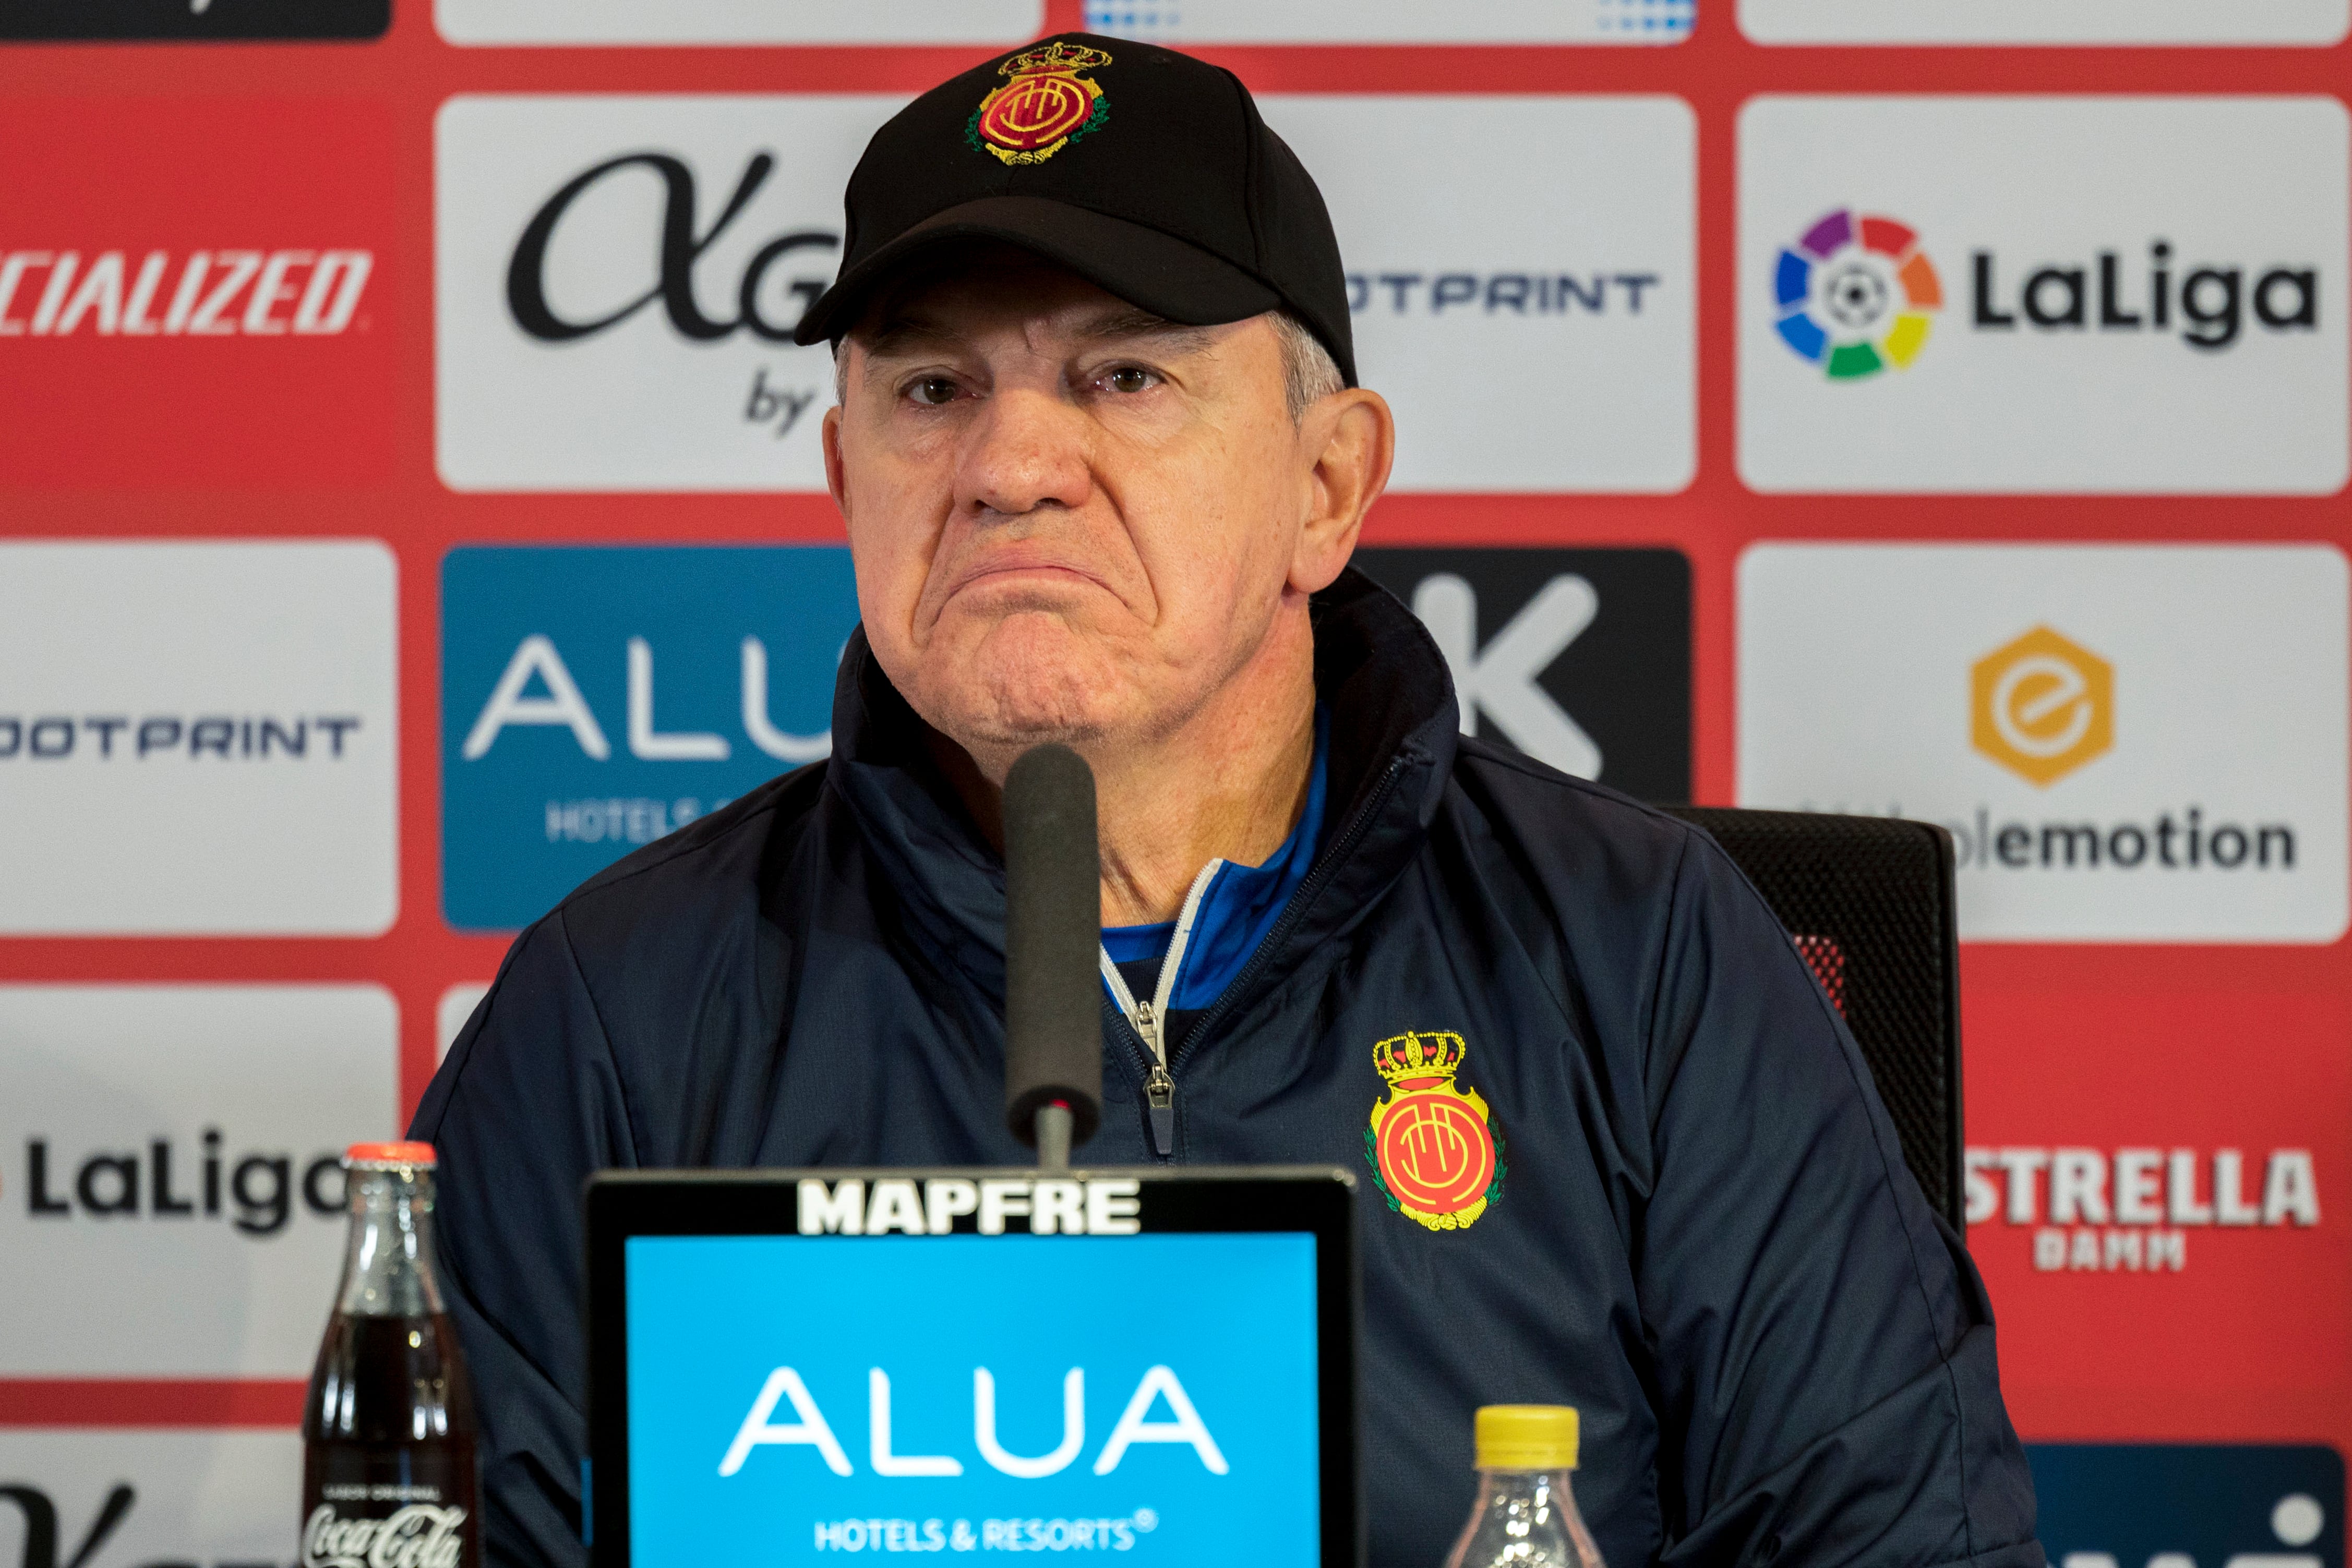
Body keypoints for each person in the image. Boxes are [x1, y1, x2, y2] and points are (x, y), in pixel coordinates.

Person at [414, 33, 2043, 1568]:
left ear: (1325, 485)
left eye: (1123, 377)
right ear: (843, 477)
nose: (1009, 466)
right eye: (931, 392)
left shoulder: (1643, 950)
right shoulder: (612, 1014)